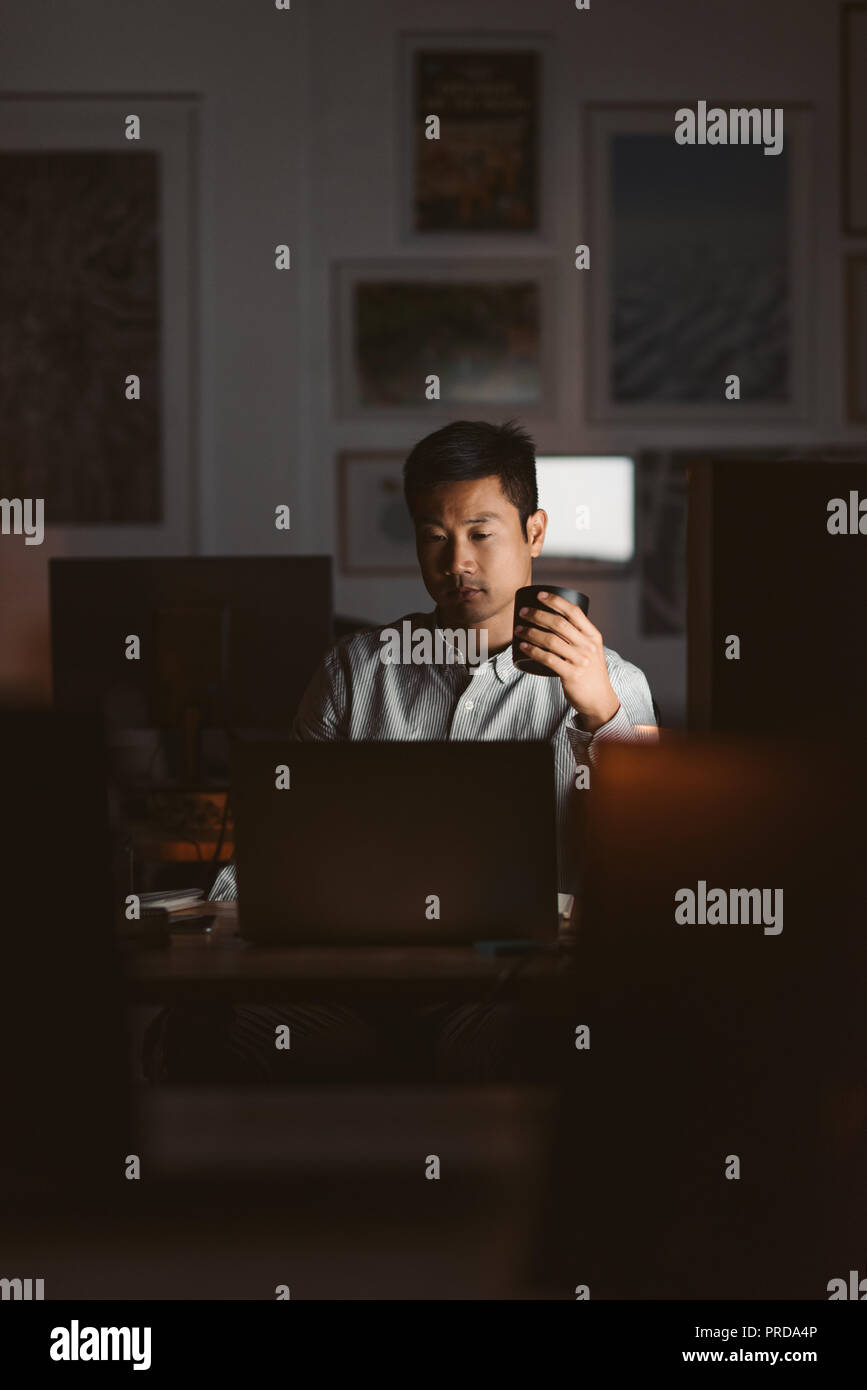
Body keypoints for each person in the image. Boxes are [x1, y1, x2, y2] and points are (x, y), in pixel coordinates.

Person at [143, 419, 657, 1085]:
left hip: (501, 989)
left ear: (533, 532)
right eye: (433, 538)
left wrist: (598, 714)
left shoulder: (612, 685)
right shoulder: (354, 672)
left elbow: (647, 865)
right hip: (350, 984)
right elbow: (283, 847)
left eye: (480, 533)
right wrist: (210, 917)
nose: (456, 563)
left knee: (524, 1043)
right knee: (217, 1030)